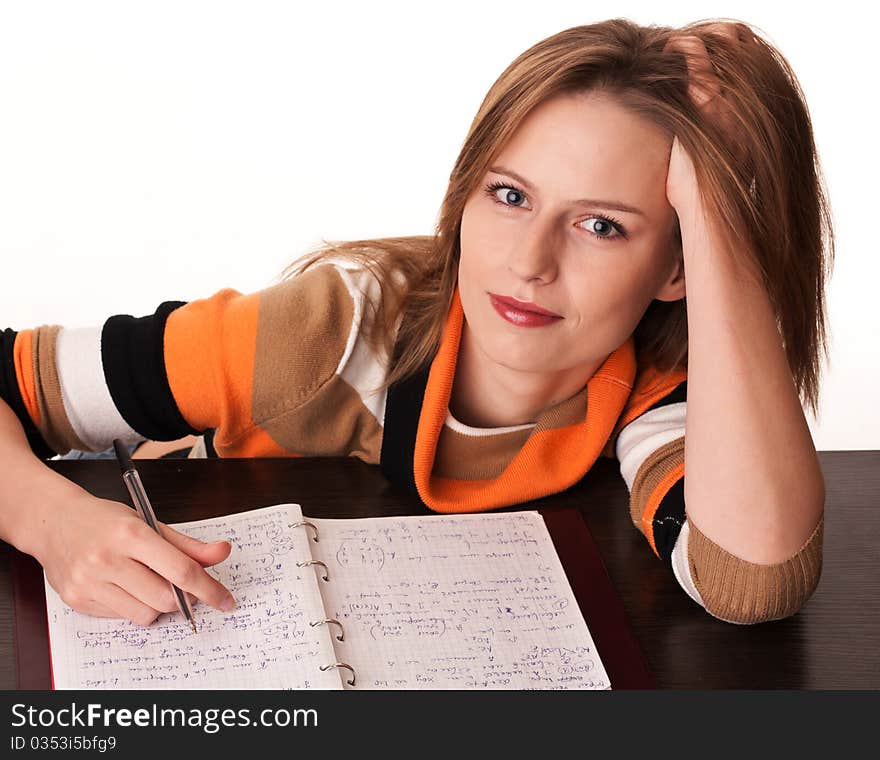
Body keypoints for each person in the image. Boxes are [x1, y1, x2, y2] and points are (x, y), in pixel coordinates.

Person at [0, 18, 832, 628]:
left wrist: (723, 214)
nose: (529, 262)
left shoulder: (657, 395)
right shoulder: (331, 331)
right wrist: (49, 519)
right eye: (509, 196)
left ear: (683, 265)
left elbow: (751, 583)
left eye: (602, 224)